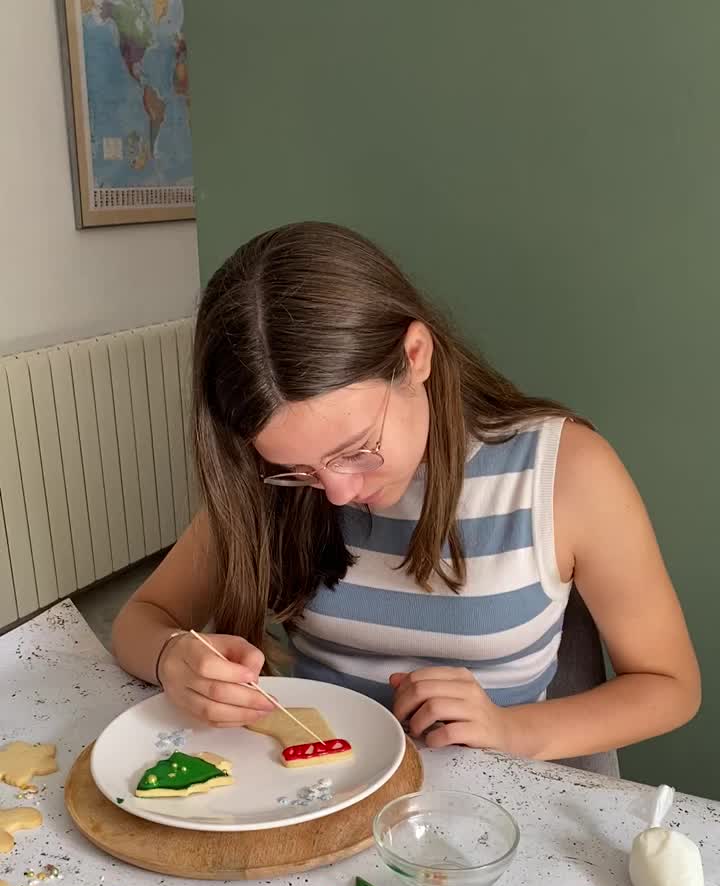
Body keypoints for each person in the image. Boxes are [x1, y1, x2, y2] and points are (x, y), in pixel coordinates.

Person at [112, 221, 700, 766]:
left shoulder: (565, 472)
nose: (337, 493)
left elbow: (670, 686)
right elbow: (142, 619)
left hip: (491, 810)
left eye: (357, 448)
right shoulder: (267, 481)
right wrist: (172, 658)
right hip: (319, 788)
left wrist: (511, 730)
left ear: (414, 355)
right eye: (299, 468)